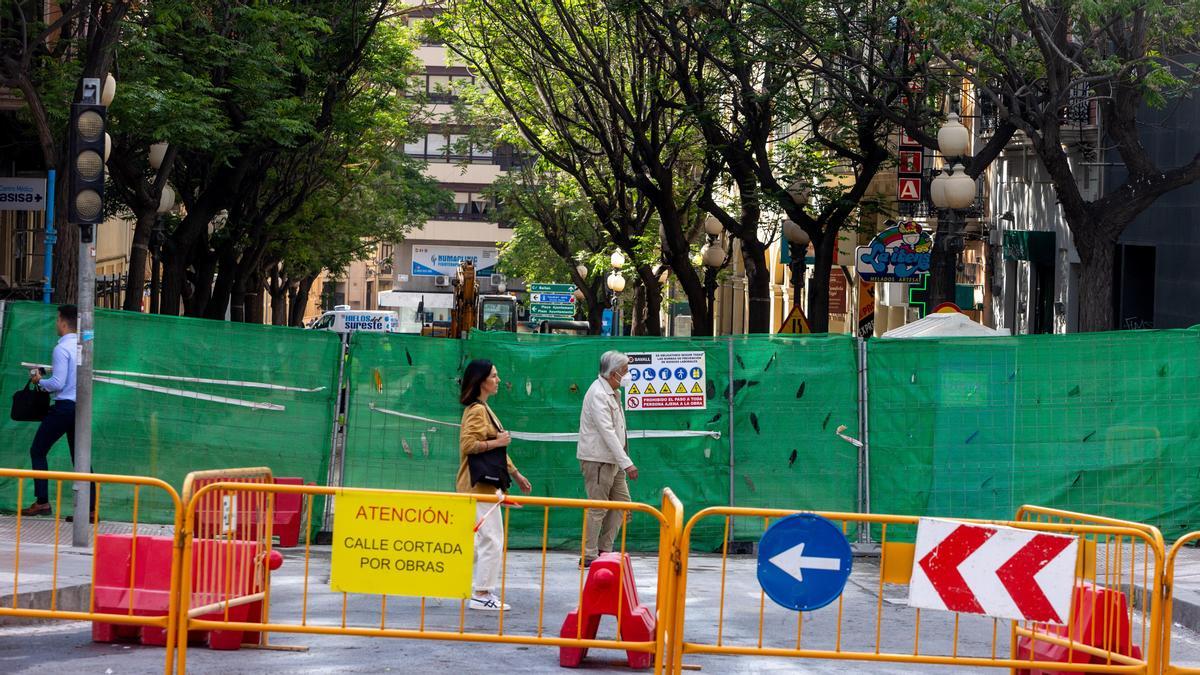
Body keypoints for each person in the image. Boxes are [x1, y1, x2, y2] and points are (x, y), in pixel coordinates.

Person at [457, 359, 532, 611]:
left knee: (481, 542)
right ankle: (481, 593)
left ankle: (457, 582)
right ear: (481, 381)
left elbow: (494, 450)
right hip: (478, 487)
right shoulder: (478, 411)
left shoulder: (484, 409)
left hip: (483, 487)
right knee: (492, 539)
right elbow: (470, 446)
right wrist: (498, 444)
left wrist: (516, 473)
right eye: (494, 376)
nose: (498, 380)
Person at [576, 350, 637, 567]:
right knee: (598, 508)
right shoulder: (598, 395)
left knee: (622, 504)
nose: (628, 375)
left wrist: (623, 459)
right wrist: (627, 463)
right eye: (625, 371)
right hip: (598, 459)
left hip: (614, 460)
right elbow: (607, 432)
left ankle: (605, 549)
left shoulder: (613, 391)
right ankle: (590, 555)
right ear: (613, 374)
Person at [23, 304, 84, 517]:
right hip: (80, 407)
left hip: (63, 408)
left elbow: (58, 383)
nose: (56, 323)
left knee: (38, 451)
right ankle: (91, 508)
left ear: (64, 322)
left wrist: (40, 380)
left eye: (58, 319)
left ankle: (42, 502)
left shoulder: (61, 348)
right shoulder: (81, 347)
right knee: (81, 457)